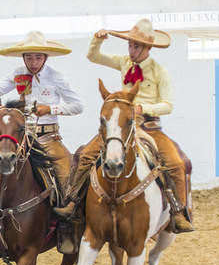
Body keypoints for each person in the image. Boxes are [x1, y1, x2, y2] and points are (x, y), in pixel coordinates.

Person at [55, 19, 194, 233]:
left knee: (175, 162)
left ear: (148, 48)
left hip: (149, 126)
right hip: (120, 126)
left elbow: (168, 105)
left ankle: (178, 212)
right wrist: (96, 41)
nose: (132, 50)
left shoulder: (159, 71)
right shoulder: (123, 62)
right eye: (130, 45)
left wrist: (143, 108)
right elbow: (94, 57)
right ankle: (73, 201)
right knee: (85, 155)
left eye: (136, 46)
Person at [0, 30, 84, 249]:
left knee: (65, 175)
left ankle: (66, 230)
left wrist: (49, 108)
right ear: (23, 57)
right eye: (29, 57)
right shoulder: (17, 73)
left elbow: (78, 105)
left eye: (38, 57)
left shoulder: (57, 78)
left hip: (49, 137)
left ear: (46, 57)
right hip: (20, 139)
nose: (33, 62)